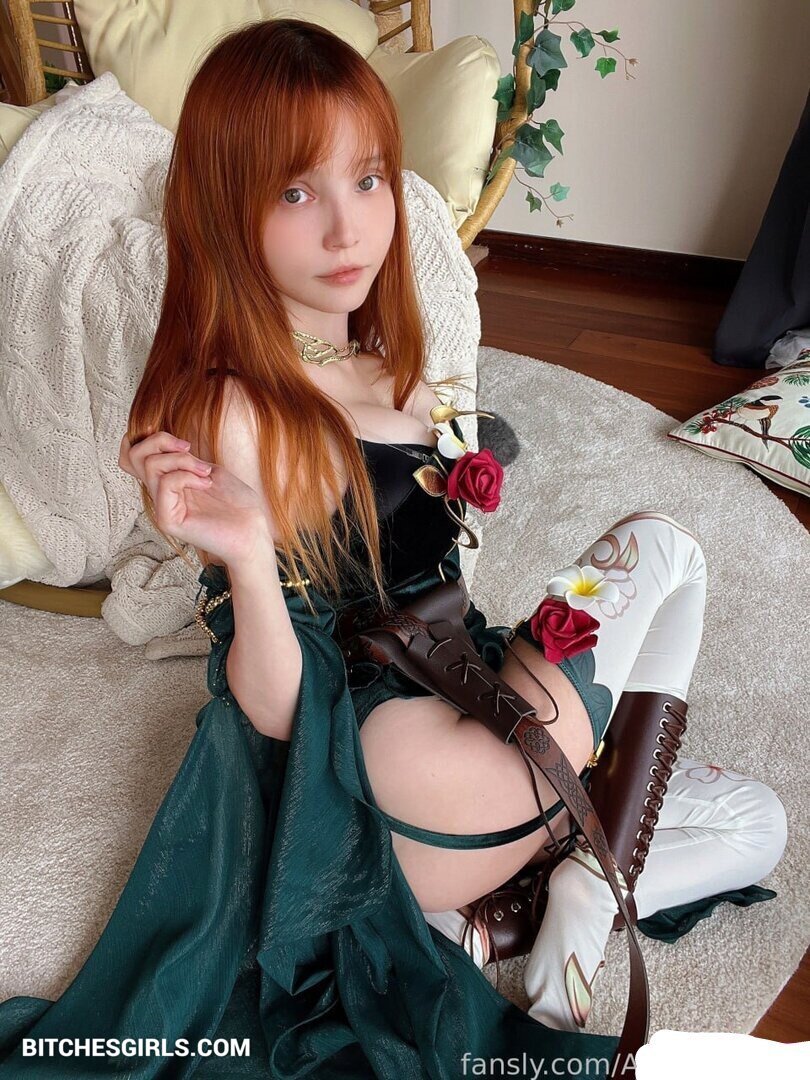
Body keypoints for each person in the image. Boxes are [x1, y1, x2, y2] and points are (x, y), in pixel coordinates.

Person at [0, 18, 787, 1078]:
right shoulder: (237, 403)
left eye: (368, 180)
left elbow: (438, 576)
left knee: (756, 824)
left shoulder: (392, 365)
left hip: (465, 755)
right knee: (662, 547)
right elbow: (274, 709)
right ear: (225, 209)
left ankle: (495, 923)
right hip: (393, 774)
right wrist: (247, 559)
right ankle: (573, 887)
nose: (347, 228)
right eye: (295, 193)